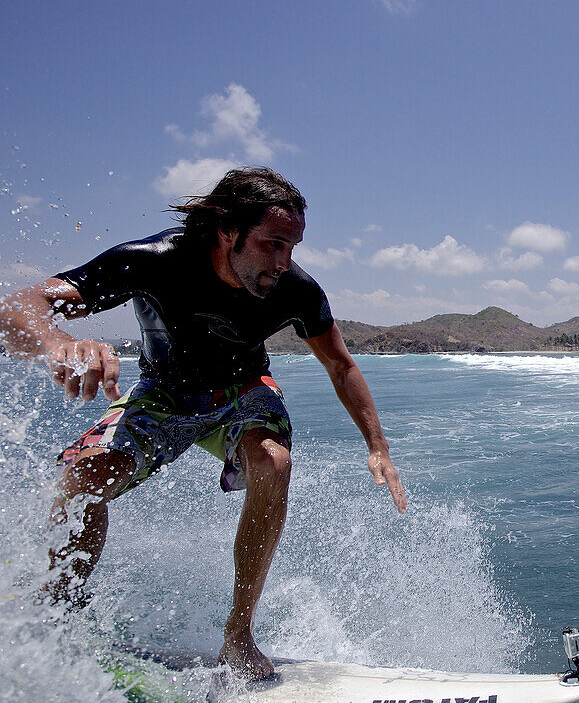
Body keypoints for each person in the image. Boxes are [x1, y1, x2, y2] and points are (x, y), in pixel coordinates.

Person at [0, 167, 406, 681]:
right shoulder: (153, 261)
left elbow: (341, 364)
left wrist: (378, 446)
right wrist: (58, 345)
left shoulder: (296, 290)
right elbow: (18, 307)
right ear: (227, 231)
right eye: (273, 243)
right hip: (163, 394)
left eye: (292, 246)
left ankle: (238, 636)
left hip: (243, 392)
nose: (284, 262)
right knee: (84, 480)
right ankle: (57, 613)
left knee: (273, 462)